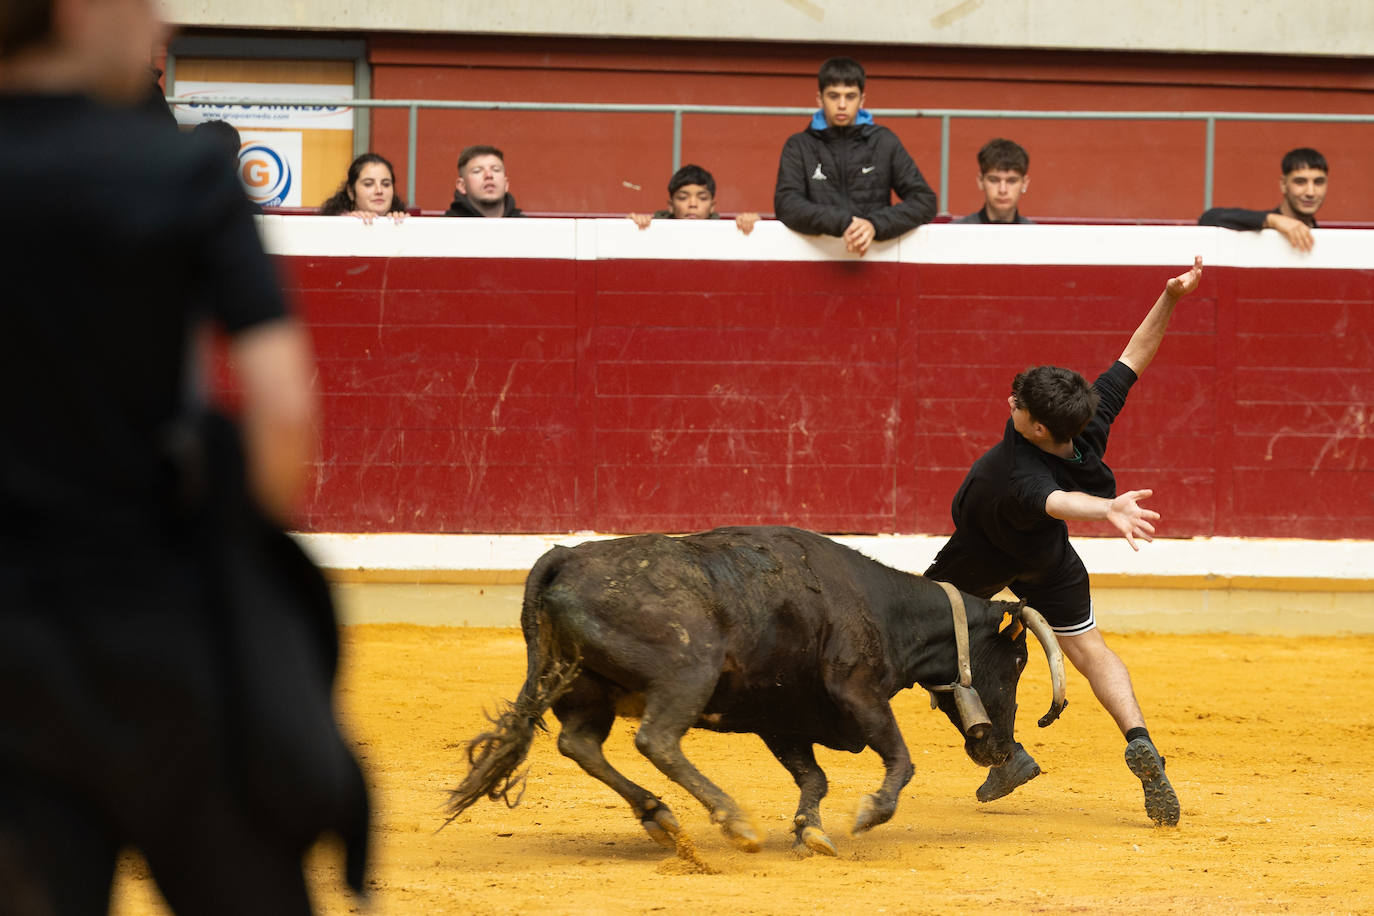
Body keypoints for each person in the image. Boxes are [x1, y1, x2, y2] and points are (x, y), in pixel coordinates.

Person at [0, 0, 370, 911]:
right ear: (85, 11)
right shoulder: (181, 167)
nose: (158, 27)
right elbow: (283, 417)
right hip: (164, 631)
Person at [925, 257, 1205, 828]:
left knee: (924, 645)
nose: (1011, 403)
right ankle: (1139, 737)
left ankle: (1003, 757)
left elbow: (1057, 502)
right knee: (1091, 650)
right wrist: (1171, 298)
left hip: (979, 556)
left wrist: (1104, 508)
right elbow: (1134, 354)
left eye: (1018, 407)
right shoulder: (1087, 420)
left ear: (1039, 430)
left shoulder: (1018, 473)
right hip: (1048, 558)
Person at [773, 56, 937, 256]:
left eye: (850, 96)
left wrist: (875, 225)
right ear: (819, 99)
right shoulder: (799, 145)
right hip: (814, 262)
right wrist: (843, 224)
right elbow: (787, 205)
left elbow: (925, 201)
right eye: (833, 96)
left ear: (862, 100)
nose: (842, 105)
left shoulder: (883, 141)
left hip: (877, 261)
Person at [1199, 148, 1328, 252]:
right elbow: (1209, 218)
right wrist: (1272, 220)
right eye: (1300, 182)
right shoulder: (1261, 225)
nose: (1310, 192)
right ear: (1283, 184)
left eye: (1318, 182)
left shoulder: (1326, 239)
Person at [628, 163, 759, 234]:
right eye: (683, 198)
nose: (692, 204)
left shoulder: (724, 231)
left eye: (702, 198)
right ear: (671, 206)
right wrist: (633, 226)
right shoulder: (654, 227)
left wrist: (752, 224)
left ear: (712, 206)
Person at [957, 138, 1034, 224]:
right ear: (980, 181)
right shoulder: (952, 233)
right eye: (994, 180)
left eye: (1012, 181)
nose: (1002, 190)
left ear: (1024, 183)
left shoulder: (1039, 235)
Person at [320, 152, 408, 224]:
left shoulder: (403, 221)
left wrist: (403, 226)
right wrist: (349, 223)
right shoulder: (333, 224)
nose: (379, 191)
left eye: (386, 184)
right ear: (351, 192)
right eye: (368, 184)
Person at [445, 144, 523, 217]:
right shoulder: (442, 228)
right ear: (462, 186)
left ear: (506, 184)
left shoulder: (528, 228)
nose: (489, 175)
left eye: (496, 170)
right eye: (477, 171)